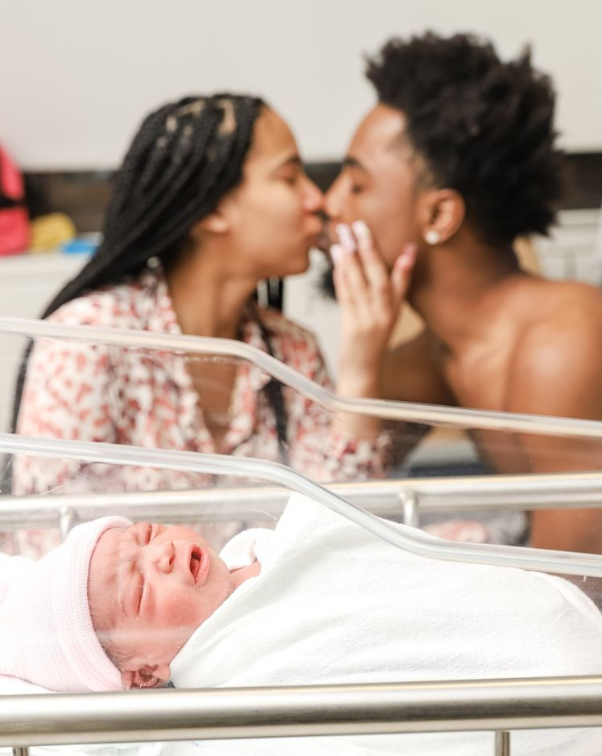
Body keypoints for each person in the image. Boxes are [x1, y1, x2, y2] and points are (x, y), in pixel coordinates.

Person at [9, 95, 408, 553]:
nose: (317, 199)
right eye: (289, 177)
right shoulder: (89, 341)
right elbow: (52, 553)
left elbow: (345, 539)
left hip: (267, 622)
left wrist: (362, 362)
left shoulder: (292, 351)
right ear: (213, 209)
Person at [2, 498, 602, 756]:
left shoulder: (270, 547)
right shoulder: (238, 685)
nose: (158, 556)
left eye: (146, 536)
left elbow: (380, 563)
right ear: (146, 673)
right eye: (138, 589)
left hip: (554, 625)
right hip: (550, 688)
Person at [324, 32, 602, 554]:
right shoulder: (443, 355)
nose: (329, 204)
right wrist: (360, 357)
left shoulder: (562, 342)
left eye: (357, 185)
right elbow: (325, 490)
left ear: (438, 215)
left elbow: (572, 592)